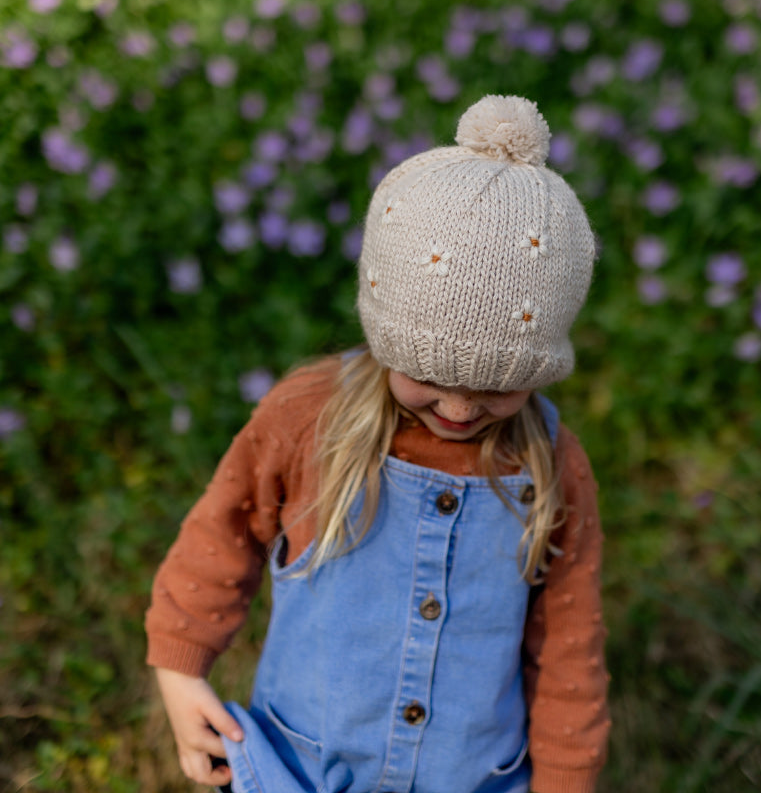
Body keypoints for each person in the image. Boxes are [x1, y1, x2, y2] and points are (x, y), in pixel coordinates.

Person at [146, 94, 611, 793]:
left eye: (497, 386)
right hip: (303, 769)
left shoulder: (550, 465)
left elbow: (569, 648)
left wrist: (566, 782)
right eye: (427, 374)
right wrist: (180, 669)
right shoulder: (310, 418)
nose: (459, 407)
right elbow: (223, 531)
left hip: (472, 777)